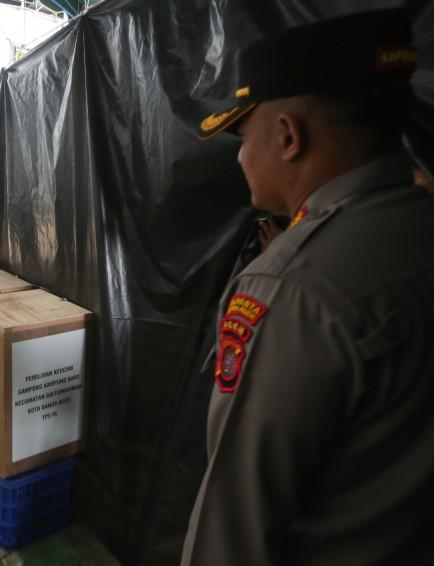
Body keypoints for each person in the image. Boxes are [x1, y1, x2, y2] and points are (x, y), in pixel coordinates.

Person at [182, 10, 434, 566]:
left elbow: (236, 523)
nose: (242, 158)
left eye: (243, 138)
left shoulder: (288, 289)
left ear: (287, 136)